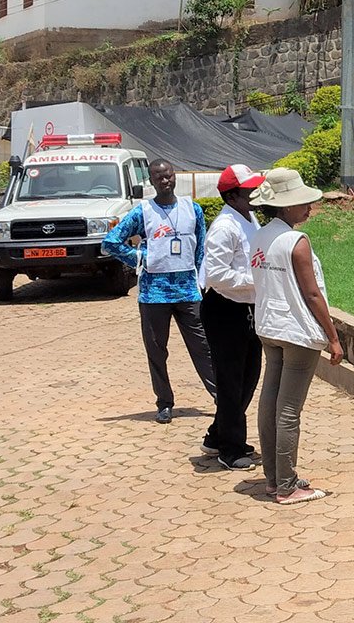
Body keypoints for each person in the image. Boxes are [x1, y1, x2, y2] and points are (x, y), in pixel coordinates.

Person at [248, 168, 343, 505]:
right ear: (285, 207)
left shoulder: (260, 236)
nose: (308, 207)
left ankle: (274, 478)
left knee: (270, 402)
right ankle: (287, 485)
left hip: (269, 328)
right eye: (301, 202)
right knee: (288, 409)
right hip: (297, 332)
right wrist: (333, 337)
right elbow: (312, 295)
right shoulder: (296, 241)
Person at [103, 159, 218, 431]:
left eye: (168, 176)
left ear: (174, 177)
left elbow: (201, 248)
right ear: (152, 181)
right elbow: (110, 242)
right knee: (157, 351)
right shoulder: (143, 211)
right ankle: (164, 402)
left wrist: (202, 281)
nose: (165, 181)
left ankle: (220, 396)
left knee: (203, 348)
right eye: (158, 177)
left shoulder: (193, 210)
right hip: (154, 294)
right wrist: (140, 258)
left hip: (188, 291)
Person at [199, 164, 266, 471]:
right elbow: (216, 275)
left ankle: (217, 436)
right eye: (250, 188)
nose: (256, 192)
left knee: (248, 375)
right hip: (225, 308)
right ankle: (231, 447)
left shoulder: (248, 217)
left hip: (246, 307)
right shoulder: (225, 228)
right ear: (234, 195)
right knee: (231, 380)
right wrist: (258, 280)